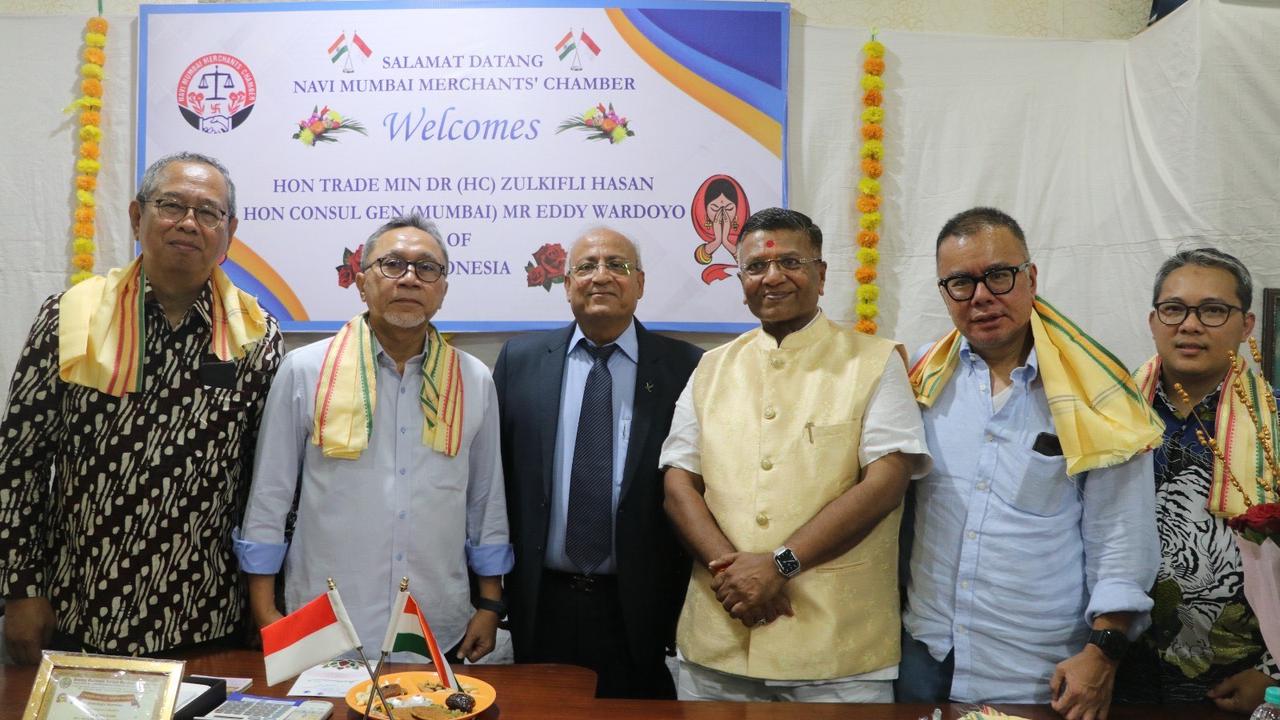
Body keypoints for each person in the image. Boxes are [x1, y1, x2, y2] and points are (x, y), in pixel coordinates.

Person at [0, 152, 282, 662]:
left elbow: (270, 482)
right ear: (137, 217)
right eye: (171, 205)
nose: (189, 223)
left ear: (229, 231)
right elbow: (19, 463)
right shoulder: (69, 318)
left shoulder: (256, 336)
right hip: (80, 607)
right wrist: (20, 589)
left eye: (208, 212)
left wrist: (262, 603)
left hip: (209, 612)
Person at [900, 206, 1163, 716]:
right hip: (927, 657)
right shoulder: (921, 379)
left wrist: (1102, 653)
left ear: (1031, 277)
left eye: (998, 275)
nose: (981, 296)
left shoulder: (1095, 391)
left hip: (1040, 672)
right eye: (960, 282)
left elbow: (1121, 539)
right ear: (943, 292)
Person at [660, 207, 930, 702]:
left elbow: (887, 482)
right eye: (756, 267)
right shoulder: (711, 368)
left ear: (821, 275)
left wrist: (777, 565)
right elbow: (679, 482)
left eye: (791, 262)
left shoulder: (874, 362)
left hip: (837, 655)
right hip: (719, 642)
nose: (773, 277)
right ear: (740, 278)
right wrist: (733, 575)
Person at [236, 214, 511, 663]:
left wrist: (489, 605)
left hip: (436, 619)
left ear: (442, 289)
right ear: (361, 283)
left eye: (427, 268)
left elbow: (485, 500)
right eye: (393, 264)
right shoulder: (306, 370)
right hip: (324, 620)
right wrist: (265, 609)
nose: (409, 278)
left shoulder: (473, 380)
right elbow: (270, 494)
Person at [494, 226, 702, 698]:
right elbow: (494, 480)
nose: (601, 276)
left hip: (641, 609)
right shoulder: (520, 361)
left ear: (641, 283)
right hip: (540, 603)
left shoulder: (685, 367)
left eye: (618, 265)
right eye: (586, 267)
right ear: (567, 285)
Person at [1117, 248, 1280, 712]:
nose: (1189, 325)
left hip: (1239, 681)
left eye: (1212, 310)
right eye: (1174, 309)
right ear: (1153, 321)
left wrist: (1274, 678)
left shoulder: (1276, 426)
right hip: (1115, 672)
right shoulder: (1109, 418)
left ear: (1246, 325)